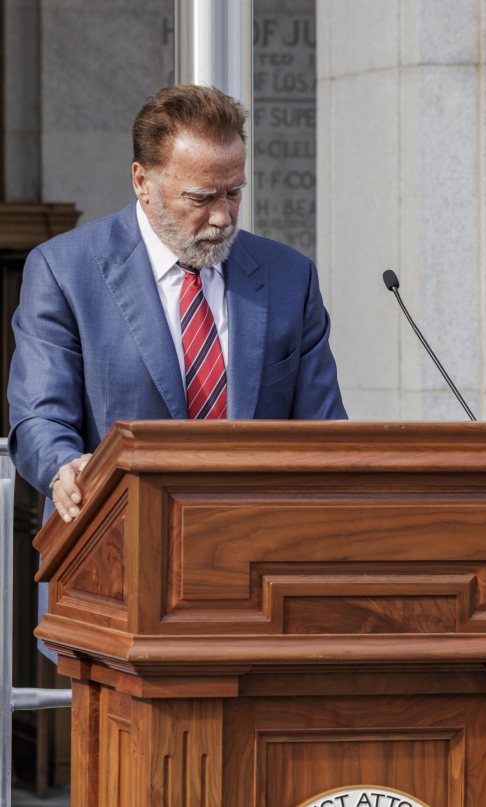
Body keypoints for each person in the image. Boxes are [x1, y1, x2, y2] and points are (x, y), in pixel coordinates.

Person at [7, 84, 346, 654]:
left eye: (235, 193)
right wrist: (67, 467)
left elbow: (325, 436)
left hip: (262, 587)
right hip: (115, 576)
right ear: (142, 181)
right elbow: (39, 418)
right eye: (200, 197)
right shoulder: (66, 270)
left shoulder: (289, 277)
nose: (221, 217)